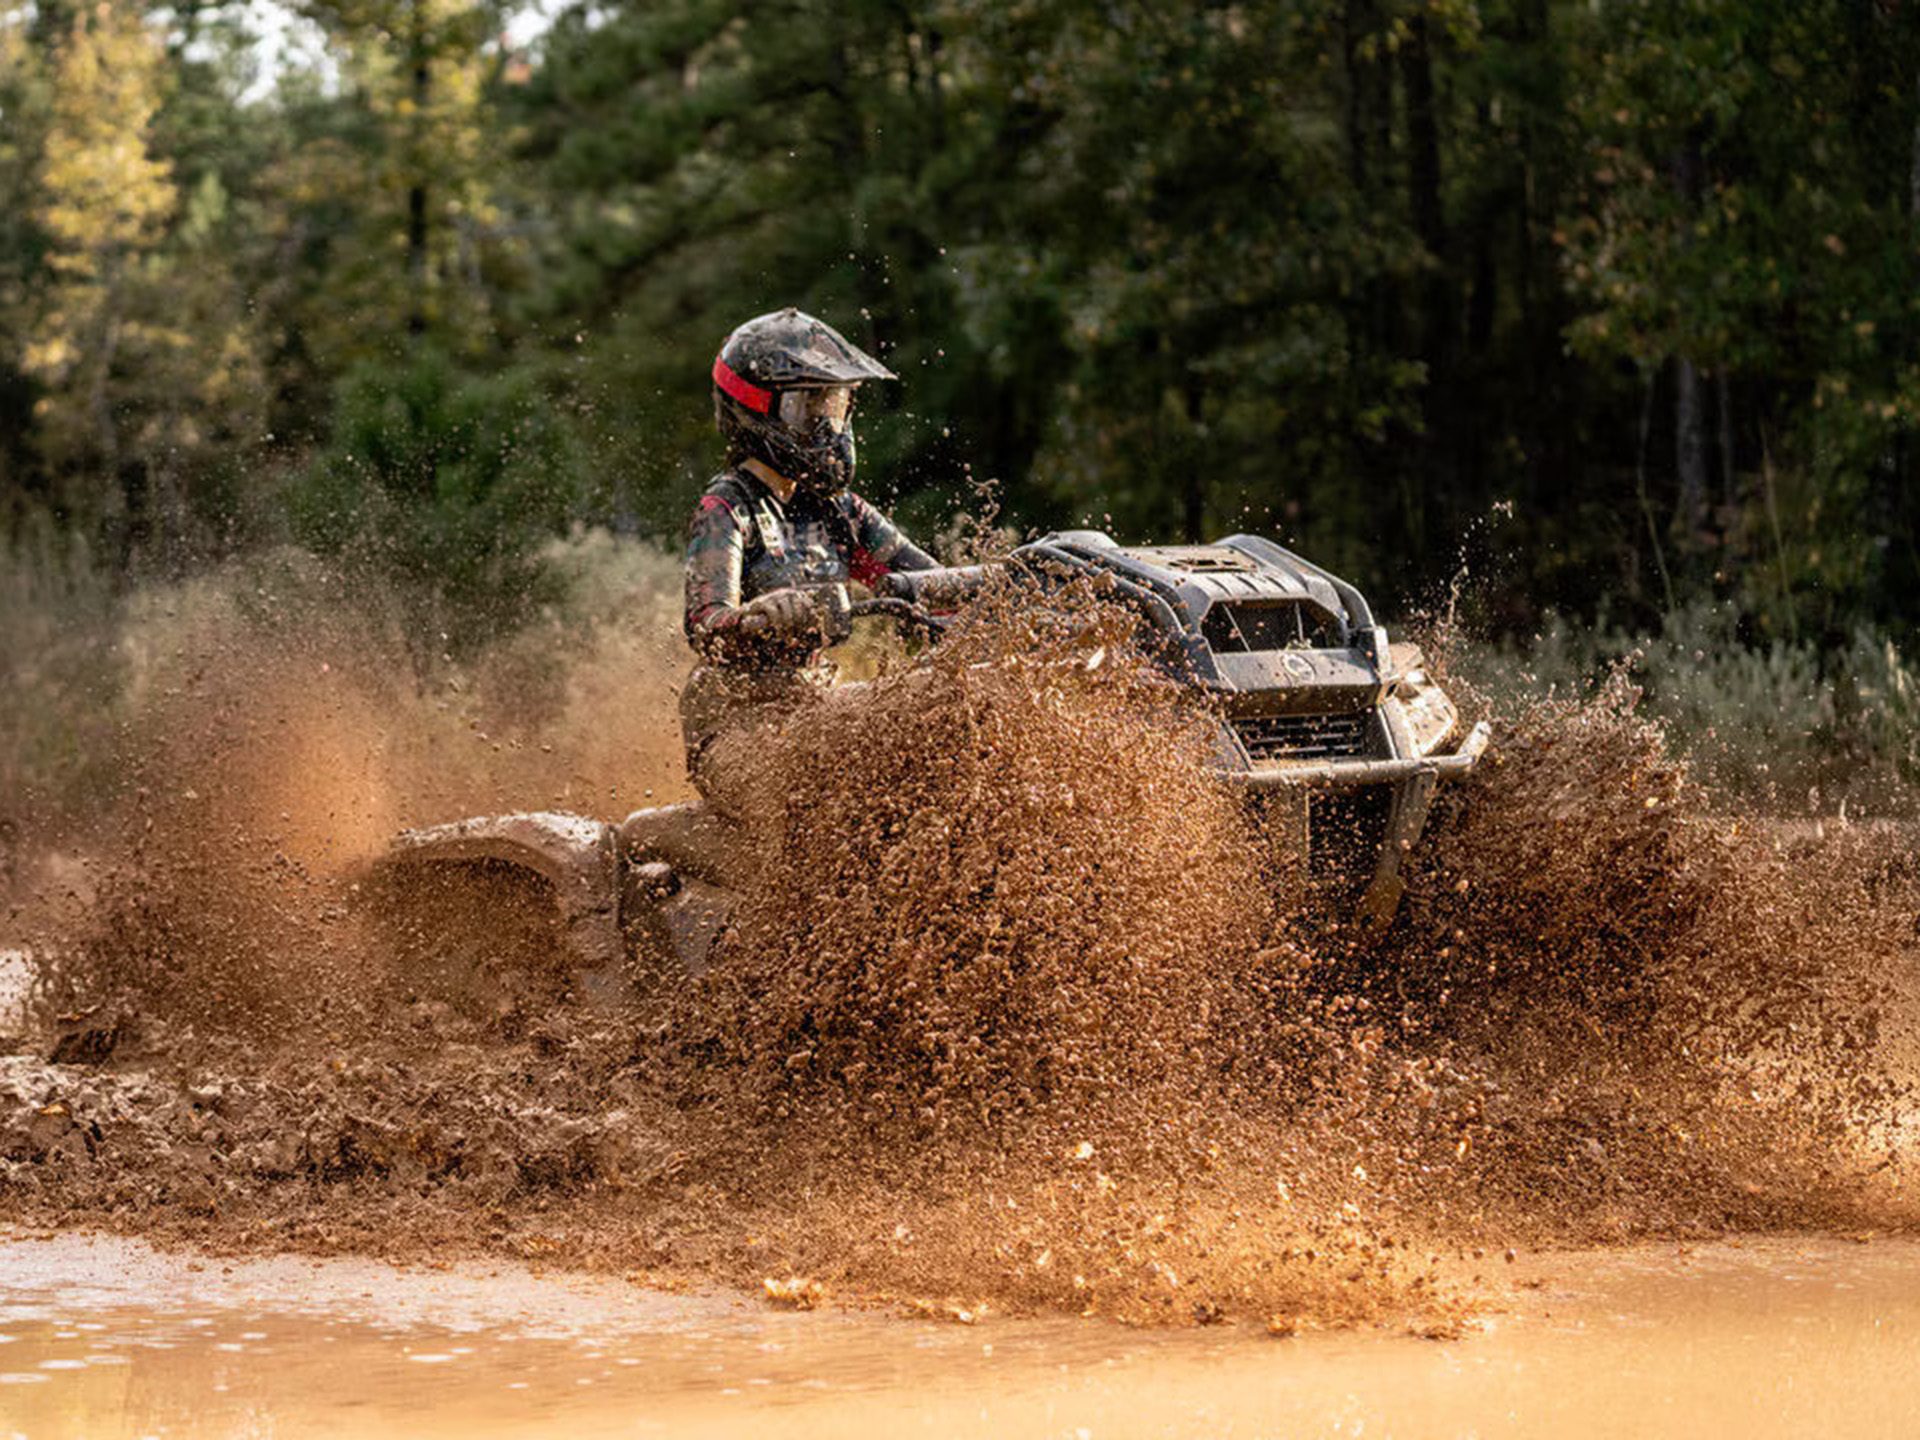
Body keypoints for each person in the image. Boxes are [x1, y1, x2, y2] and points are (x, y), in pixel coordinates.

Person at [679, 308, 941, 816]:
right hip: (735, 724)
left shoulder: (842, 511)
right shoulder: (728, 508)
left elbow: (926, 581)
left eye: (836, 405)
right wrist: (767, 611)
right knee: (817, 808)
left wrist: (1011, 590)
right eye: (809, 406)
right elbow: (704, 625)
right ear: (754, 410)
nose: (826, 426)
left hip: (815, 704)